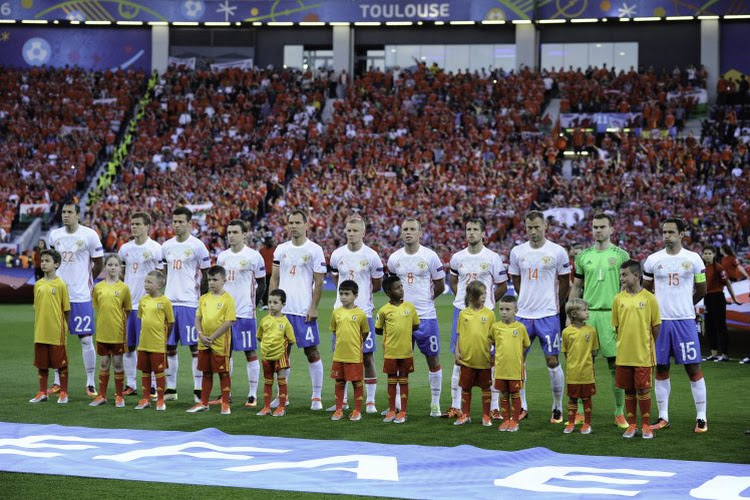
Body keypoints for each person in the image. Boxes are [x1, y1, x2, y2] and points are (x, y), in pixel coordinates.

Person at [643, 218, 708, 433]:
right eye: (664, 232)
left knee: (693, 367)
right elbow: (647, 289)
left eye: (671, 232)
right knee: (661, 368)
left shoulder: (694, 259)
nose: (666, 236)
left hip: (685, 321)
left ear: (682, 234)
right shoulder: (653, 260)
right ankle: (663, 417)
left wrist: (685, 306)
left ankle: (701, 417)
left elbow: (702, 289)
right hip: (660, 323)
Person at [508, 211, 570, 423]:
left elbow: (564, 282)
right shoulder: (517, 252)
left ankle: (557, 407)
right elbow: (516, 280)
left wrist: (555, 304)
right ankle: (522, 406)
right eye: (529, 227)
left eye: (536, 227)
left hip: (547, 315)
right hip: (523, 315)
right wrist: (525, 297)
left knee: (552, 360)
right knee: (518, 361)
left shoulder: (557, 252)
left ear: (545, 227)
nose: (533, 231)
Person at [570, 213, 631, 429]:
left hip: (612, 315)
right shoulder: (583, 256)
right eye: (595, 227)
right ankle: (579, 411)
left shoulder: (622, 255)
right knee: (583, 364)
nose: (598, 230)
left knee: (615, 365)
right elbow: (577, 287)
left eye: (602, 227)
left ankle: (619, 411)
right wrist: (571, 314)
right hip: (587, 315)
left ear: (612, 229)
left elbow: (627, 287)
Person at [447, 218, 508, 419]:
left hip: (485, 316)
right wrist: (467, 303)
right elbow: (453, 280)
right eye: (468, 229)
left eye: (475, 230)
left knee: (490, 359)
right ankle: (456, 406)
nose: (471, 233)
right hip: (461, 312)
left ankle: (494, 407)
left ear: (483, 233)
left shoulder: (492, 257)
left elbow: (502, 286)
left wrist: (485, 306)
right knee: (459, 358)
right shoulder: (457, 257)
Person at [387, 218, 446, 417]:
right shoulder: (394, 259)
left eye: (413, 229)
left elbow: (440, 285)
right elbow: (392, 286)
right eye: (405, 229)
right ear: (401, 233)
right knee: (400, 362)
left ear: (420, 233)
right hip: (401, 318)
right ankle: (397, 405)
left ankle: (435, 404)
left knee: (433, 359)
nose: (409, 232)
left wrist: (427, 301)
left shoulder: (430, 256)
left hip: (426, 317)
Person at [269, 209, 326, 410]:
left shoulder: (314, 250)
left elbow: (319, 282)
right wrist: (272, 305)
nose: (293, 226)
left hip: (303, 310)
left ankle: (317, 396)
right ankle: (282, 396)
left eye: (297, 222)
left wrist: (313, 307)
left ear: (305, 224)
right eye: (290, 222)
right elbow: (274, 278)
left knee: (311, 351)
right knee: (282, 355)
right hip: (283, 311)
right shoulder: (281, 249)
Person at [328, 216, 384, 413]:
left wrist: (362, 299)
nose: (351, 234)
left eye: (355, 230)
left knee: (367, 357)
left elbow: (376, 284)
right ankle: (341, 401)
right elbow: (338, 280)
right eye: (348, 230)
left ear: (363, 233)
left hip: (363, 313)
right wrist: (345, 299)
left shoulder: (371, 256)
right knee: (340, 357)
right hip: (340, 313)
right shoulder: (337, 255)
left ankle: (370, 400)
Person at [49, 201, 104, 397]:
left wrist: (87, 281)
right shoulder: (55, 235)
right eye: (63, 212)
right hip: (58, 296)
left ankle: (90, 382)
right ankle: (57, 381)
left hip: (81, 296)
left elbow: (99, 263)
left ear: (78, 215)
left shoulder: (89, 235)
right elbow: (50, 262)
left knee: (86, 339)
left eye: (70, 212)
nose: (66, 215)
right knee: (56, 340)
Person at [162, 206, 211, 403]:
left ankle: (198, 389)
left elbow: (207, 275)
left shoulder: (198, 246)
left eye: (181, 221)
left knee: (194, 349)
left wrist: (203, 300)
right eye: (175, 221)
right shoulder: (165, 246)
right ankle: (171, 388)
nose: (177, 225)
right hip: (169, 302)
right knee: (169, 347)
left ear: (190, 223)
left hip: (191, 303)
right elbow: (163, 274)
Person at [217, 219, 266, 407]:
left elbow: (262, 283)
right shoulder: (222, 257)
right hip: (224, 313)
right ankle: (225, 394)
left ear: (244, 234)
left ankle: (252, 394)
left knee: (249, 352)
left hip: (245, 312)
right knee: (225, 353)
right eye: (229, 232)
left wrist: (253, 303)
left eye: (235, 232)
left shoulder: (254, 256)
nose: (231, 235)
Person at [612, 260, 661, 439]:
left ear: (636, 275)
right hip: (624, 354)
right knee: (628, 390)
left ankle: (646, 426)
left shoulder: (649, 298)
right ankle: (632, 425)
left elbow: (656, 326)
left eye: (624, 275)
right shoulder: (618, 299)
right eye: (621, 275)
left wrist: (648, 345)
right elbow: (617, 326)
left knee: (643, 390)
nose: (621, 278)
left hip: (643, 354)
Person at [118, 212, 163, 397]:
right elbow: (122, 273)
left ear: (147, 226)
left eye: (137, 224)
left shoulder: (156, 248)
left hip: (148, 306)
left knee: (148, 347)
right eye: (132, 223)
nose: (133, 227)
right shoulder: (124, 249)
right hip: (129, 306)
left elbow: (161, 276)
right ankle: (131, 384)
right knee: (128, 346)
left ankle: (152, 385)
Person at [187, 266, 237, 415]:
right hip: (203, 341)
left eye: (215, 279)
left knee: (223, 373)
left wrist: (212, 337)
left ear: (224, 280)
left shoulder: (228, 299)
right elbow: (198, 318)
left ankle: (225, 404)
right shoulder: (204, 298)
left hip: (220, 343)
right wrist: (201, 334)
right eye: (209, 279)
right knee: (206, 373)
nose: (211, 283)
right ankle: (204, 403)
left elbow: (229, 322)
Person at [375, 275, 420, 424]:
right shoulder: (383, 310)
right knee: (392, 380)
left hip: (406, 351)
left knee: (404, 380)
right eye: (397, 287)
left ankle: (403, 412)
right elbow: (378, 329)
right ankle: (392, 410)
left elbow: (415, 326)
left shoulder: (410, 307)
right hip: (390, 352)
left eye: (401, 286)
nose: (401, 289)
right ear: (388, 292)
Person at [29, 249, 71, 404]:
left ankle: (64, 393)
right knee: (42, 364)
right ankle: (42, 392)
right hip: (40, 331)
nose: (44, 263)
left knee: (61, 364)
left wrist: (65, 327)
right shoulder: (38, 284)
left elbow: (66, 309)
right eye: (42, 260)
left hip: (56, 331)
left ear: (57, 264)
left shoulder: (61, 284)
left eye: (47, 261)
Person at [90, 254, 132, 408]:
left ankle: (119, 396)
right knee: (104, 362)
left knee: (118, 363)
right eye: (110, 265)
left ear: (120, 268)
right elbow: (98, 307)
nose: (113, 267)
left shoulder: (124, 288)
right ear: (105, 267)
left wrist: (119, 323)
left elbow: (127, 310)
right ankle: (102, 396)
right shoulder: (98, 287)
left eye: (116, 265)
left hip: (118, 332)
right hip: (102, 331)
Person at [453, 281, 495, 427]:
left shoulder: (489, 314)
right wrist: (457, 352)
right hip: (466, 359)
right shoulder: (463, 314)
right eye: (481, 294)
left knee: (486, 388)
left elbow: (494, 338)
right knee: (465, 388)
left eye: (485, 294)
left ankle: (486, 416)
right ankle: (465, 415)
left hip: (483, 359)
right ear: (471, 296)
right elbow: (459, 335)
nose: (484, 297)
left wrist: (493, 355)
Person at [329, 280, 370, 421]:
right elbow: (334, 330)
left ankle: (357, 410)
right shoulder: (336, 313)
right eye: (341, 294)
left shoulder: (360, 314)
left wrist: (355, 344)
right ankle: (339, 409)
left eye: (347, 294)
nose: (343, 297)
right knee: (339, 382)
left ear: (355, 295)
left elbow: (365, 333)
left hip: (354, 355)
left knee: (357, 382)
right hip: (339, 355)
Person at [134, 270, 174, 411]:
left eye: (149, 282)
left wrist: (165, 339)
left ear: (159, 285)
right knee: (145, 371)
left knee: (159, 372)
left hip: (158, 344)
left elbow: (170, 323)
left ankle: (161, 400)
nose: (146, 284)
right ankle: (145, 399)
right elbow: (141, 319)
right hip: (144, 343)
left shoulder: (165, 302)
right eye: (145, 281)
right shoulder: (143, 300)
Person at [491, 295, 531, 432]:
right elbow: (490, 342)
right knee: (503, 394)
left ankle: (514, 421)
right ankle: (506, 420)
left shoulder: (520, 328)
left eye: (508, 309)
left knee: (515, 394)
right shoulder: (495, 327)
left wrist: (516, 357)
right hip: (501, 368)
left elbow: (526, 345)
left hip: (515, 369)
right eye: (501, 309)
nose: (503, 312)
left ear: (515, 311)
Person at [256, 289, 296, 417]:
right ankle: (266, 407)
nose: (272, 305)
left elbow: (291, 341)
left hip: (280, 356)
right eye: (270, 302)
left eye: (275, 302)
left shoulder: (285, 322)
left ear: (283, 304)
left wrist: (284, 353)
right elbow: (259, 336)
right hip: (266, 356)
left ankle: (281, 407)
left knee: (281, 381)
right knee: (267, 381)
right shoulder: (264, 320)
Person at [561, 298, 598, 435]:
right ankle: (571, 423)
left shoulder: (591, 331)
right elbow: (566, 353)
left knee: (587, 398)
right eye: (584, 310)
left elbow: (593, 352)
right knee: (572, 398)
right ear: (574, 314)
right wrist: (573, 365)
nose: (587, 312)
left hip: (587, 373)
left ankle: (587, 424)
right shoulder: (566, 332)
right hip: (573, 373)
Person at [702, 245, 740, 362]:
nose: (707, 256)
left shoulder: (719, 268)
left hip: (718, 297)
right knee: (709, 326)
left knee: (720, 326)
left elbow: (727, 283)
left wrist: (734, 298)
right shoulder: (701, 268)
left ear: (714, 254)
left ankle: (724, 354)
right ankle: (713, 354)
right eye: (705, 254)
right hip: (707, 298)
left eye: (709, 253)